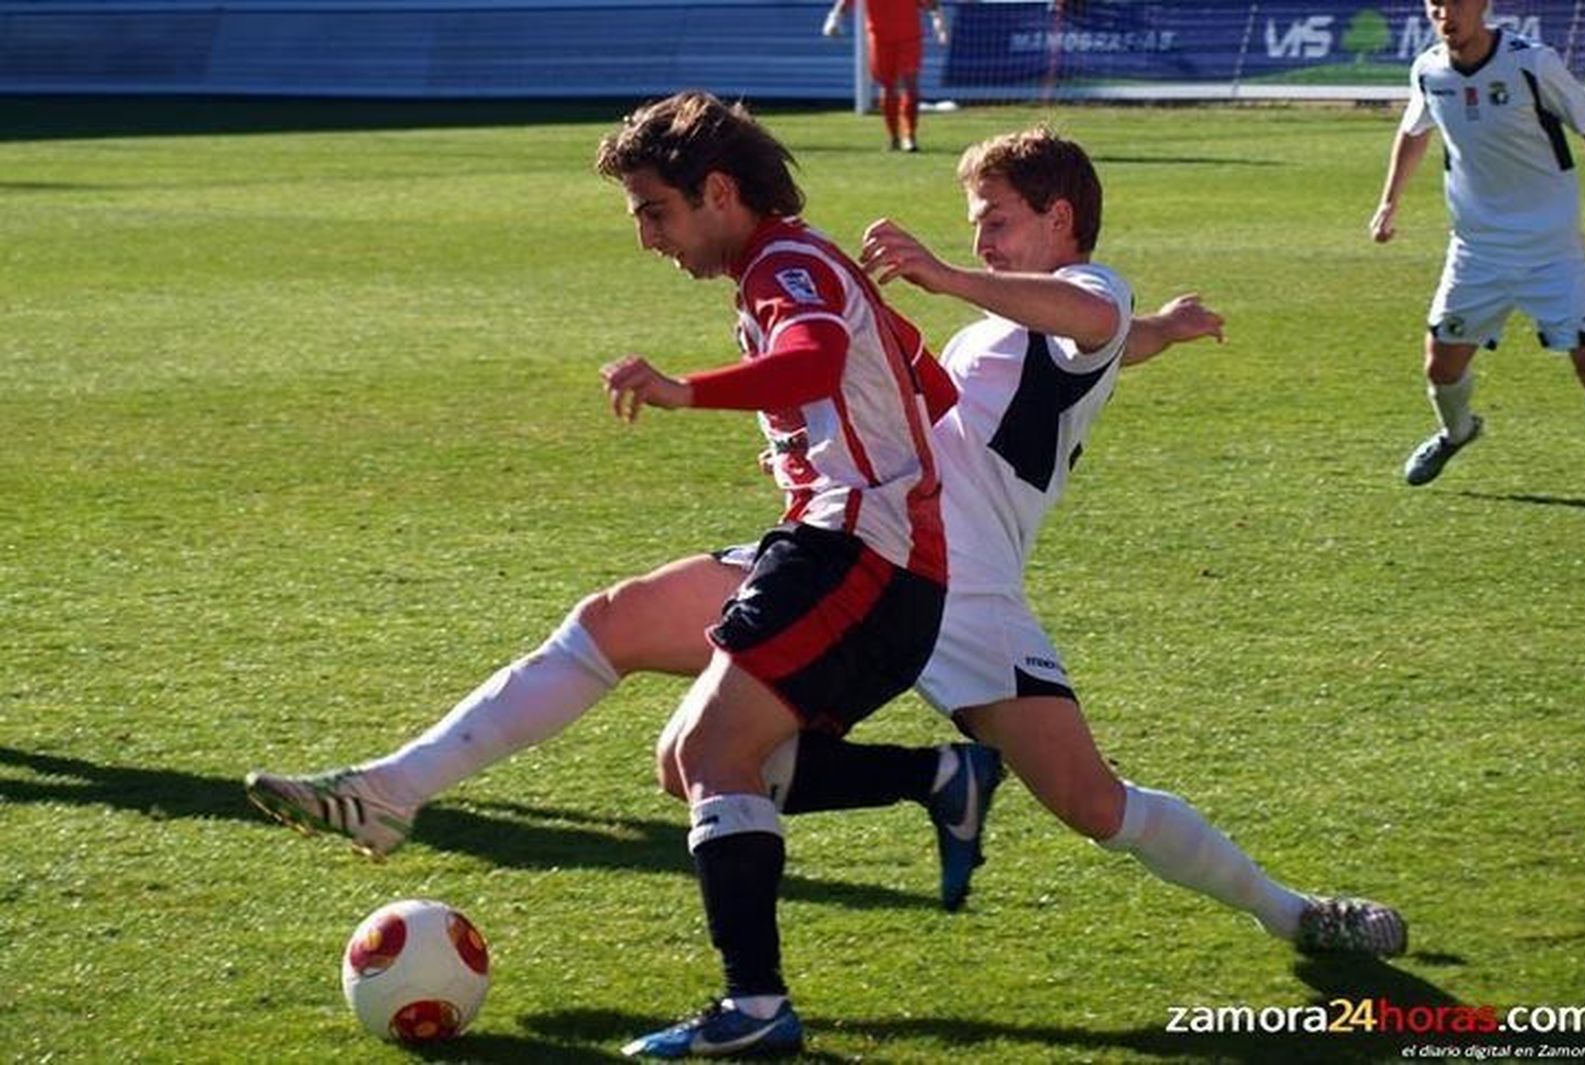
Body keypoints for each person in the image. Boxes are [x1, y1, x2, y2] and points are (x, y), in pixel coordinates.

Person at [250, 115, 1406, 1059]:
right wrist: (1156, 331)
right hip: (881, 549)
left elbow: (1088, 316)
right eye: (974, 229)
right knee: (633, 655)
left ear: (1058, 220)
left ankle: (1296, 913)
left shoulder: (1077, 288)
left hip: (923, 573)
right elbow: (1083, 345)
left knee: (1095, 806)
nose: (984, 244)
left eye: (998, 224)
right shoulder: (1037, 325)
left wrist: (977, 285)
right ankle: (396, 789)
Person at [1369, 0, 1585, 486]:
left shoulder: (1532, 62)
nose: (1444, 15)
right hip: (1477, 251)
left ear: (1481, 5)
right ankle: (1457, 432)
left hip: (1552, 248)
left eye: (1454, 3)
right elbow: (1414, 129)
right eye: (1435, 6)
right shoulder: (1429, 69)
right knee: (1441, 369)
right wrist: (1390, 201)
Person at [823, 0, 949, 152]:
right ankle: (894, 136)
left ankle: (909, 136)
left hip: (909, 37)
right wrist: (834, 18)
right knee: (887, 86)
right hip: (880, 38)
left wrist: (939, 21)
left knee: (910, 84)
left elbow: (931, 4)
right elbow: (845, 3)